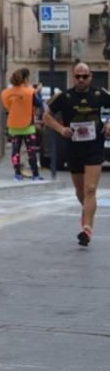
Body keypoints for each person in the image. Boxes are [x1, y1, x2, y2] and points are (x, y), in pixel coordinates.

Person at [43, 62, 110, 246]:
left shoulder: (100, 94)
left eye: (85, 76)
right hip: (73, 148)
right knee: (81, 191)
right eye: (78, 76)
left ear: (91, 77)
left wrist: (109, 123)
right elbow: (46, 116)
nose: (81, 80)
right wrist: (60, 129)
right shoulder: (64, 97)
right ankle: (87, 210)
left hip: (94, 147)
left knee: (90, 189)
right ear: (73, 77)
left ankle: (87, 229)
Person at [1, 68, 42, 181]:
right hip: (28, 126)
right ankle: (35, 175)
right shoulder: (29, 92)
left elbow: (7, 106)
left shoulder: (6, 92)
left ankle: (17, 174)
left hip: (13, 125)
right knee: (31, 151)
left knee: (15, 151)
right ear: (25, 79)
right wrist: (37, 91)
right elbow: (39, 104)